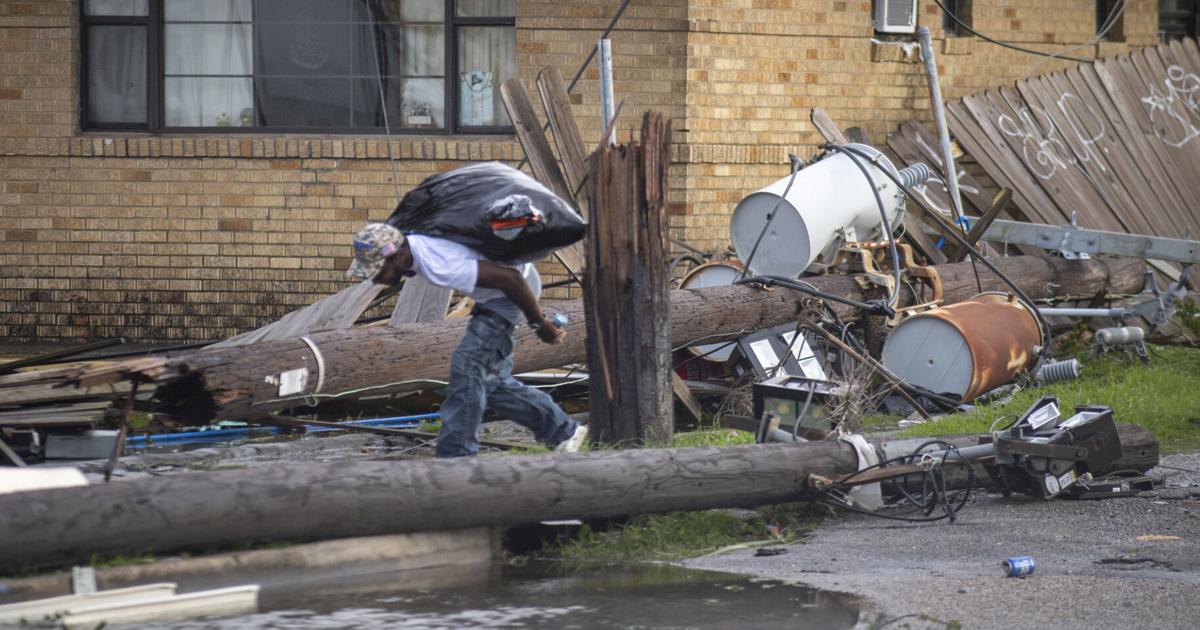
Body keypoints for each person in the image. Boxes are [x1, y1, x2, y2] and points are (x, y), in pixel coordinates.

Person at [347, 222, 588, 457]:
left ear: (397, 256)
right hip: (497, 292)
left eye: (378, 271)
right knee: (491, 384)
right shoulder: (411, 247)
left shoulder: (437, 262)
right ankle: (564, 432)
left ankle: (457, 457)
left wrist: (540, 324)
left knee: (468, 367)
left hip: (512, 289)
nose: (376, 279)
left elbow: (511, 279)